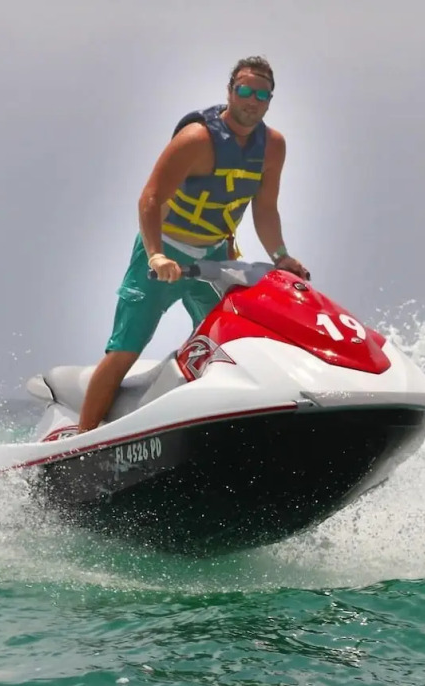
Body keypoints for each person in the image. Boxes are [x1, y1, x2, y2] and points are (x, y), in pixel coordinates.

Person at [78, 55, 309, 432]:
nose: (252, 101)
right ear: (230, 92)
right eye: (245, 90)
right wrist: (155, 255)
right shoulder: (196, 140)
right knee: (125, 349)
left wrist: (281, 256)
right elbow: (150, 199)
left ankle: (214, 422)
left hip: (212, 260)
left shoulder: (273, 147)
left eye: (262, 95)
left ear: (270, 101)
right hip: (163, 256)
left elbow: (265, 208)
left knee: (233, 344)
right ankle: (82, 441)